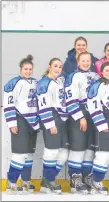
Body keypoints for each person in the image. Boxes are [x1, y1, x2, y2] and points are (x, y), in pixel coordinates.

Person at [64, 52, 100, 194]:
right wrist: (80, 117)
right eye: (83, 61)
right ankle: (75, 178)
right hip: (79, 115)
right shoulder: (73, 77)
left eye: (88, 61)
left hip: (93, 115)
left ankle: (85, 177)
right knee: (77, 149)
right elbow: (70, 99)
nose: (85, 63)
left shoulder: (96, 77)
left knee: (90, 150)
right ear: (78, 62)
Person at [3, 55, 40, 193]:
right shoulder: (14, 83)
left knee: (29, 154)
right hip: (20, 121)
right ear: (20, 69)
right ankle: (11, 182)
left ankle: (25, 180)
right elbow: (9, 104)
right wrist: (12, 123)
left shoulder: (35, 82)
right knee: (20, 154)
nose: (28, 71)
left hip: (33, 123)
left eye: (30, 69)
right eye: (26, 69)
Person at [36, 58, 69, 194]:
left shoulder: (58, 81)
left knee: (64, 152)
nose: (58, 68)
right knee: (52, 151)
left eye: (60, 66)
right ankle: (49, 182)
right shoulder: (44, 83)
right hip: (51, 117)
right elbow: (43, 106)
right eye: (55, 66)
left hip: (61, 120)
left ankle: (46, 180)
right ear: (49, 66)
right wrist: (50, 124)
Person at [86, 62, 109, 194]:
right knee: (102, 153)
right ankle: (96, 181)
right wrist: (101, 124)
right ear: (102, 72)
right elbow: (92, 105)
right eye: (107, 70)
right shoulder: (96, 85)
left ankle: (96, 180)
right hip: (103, 119)